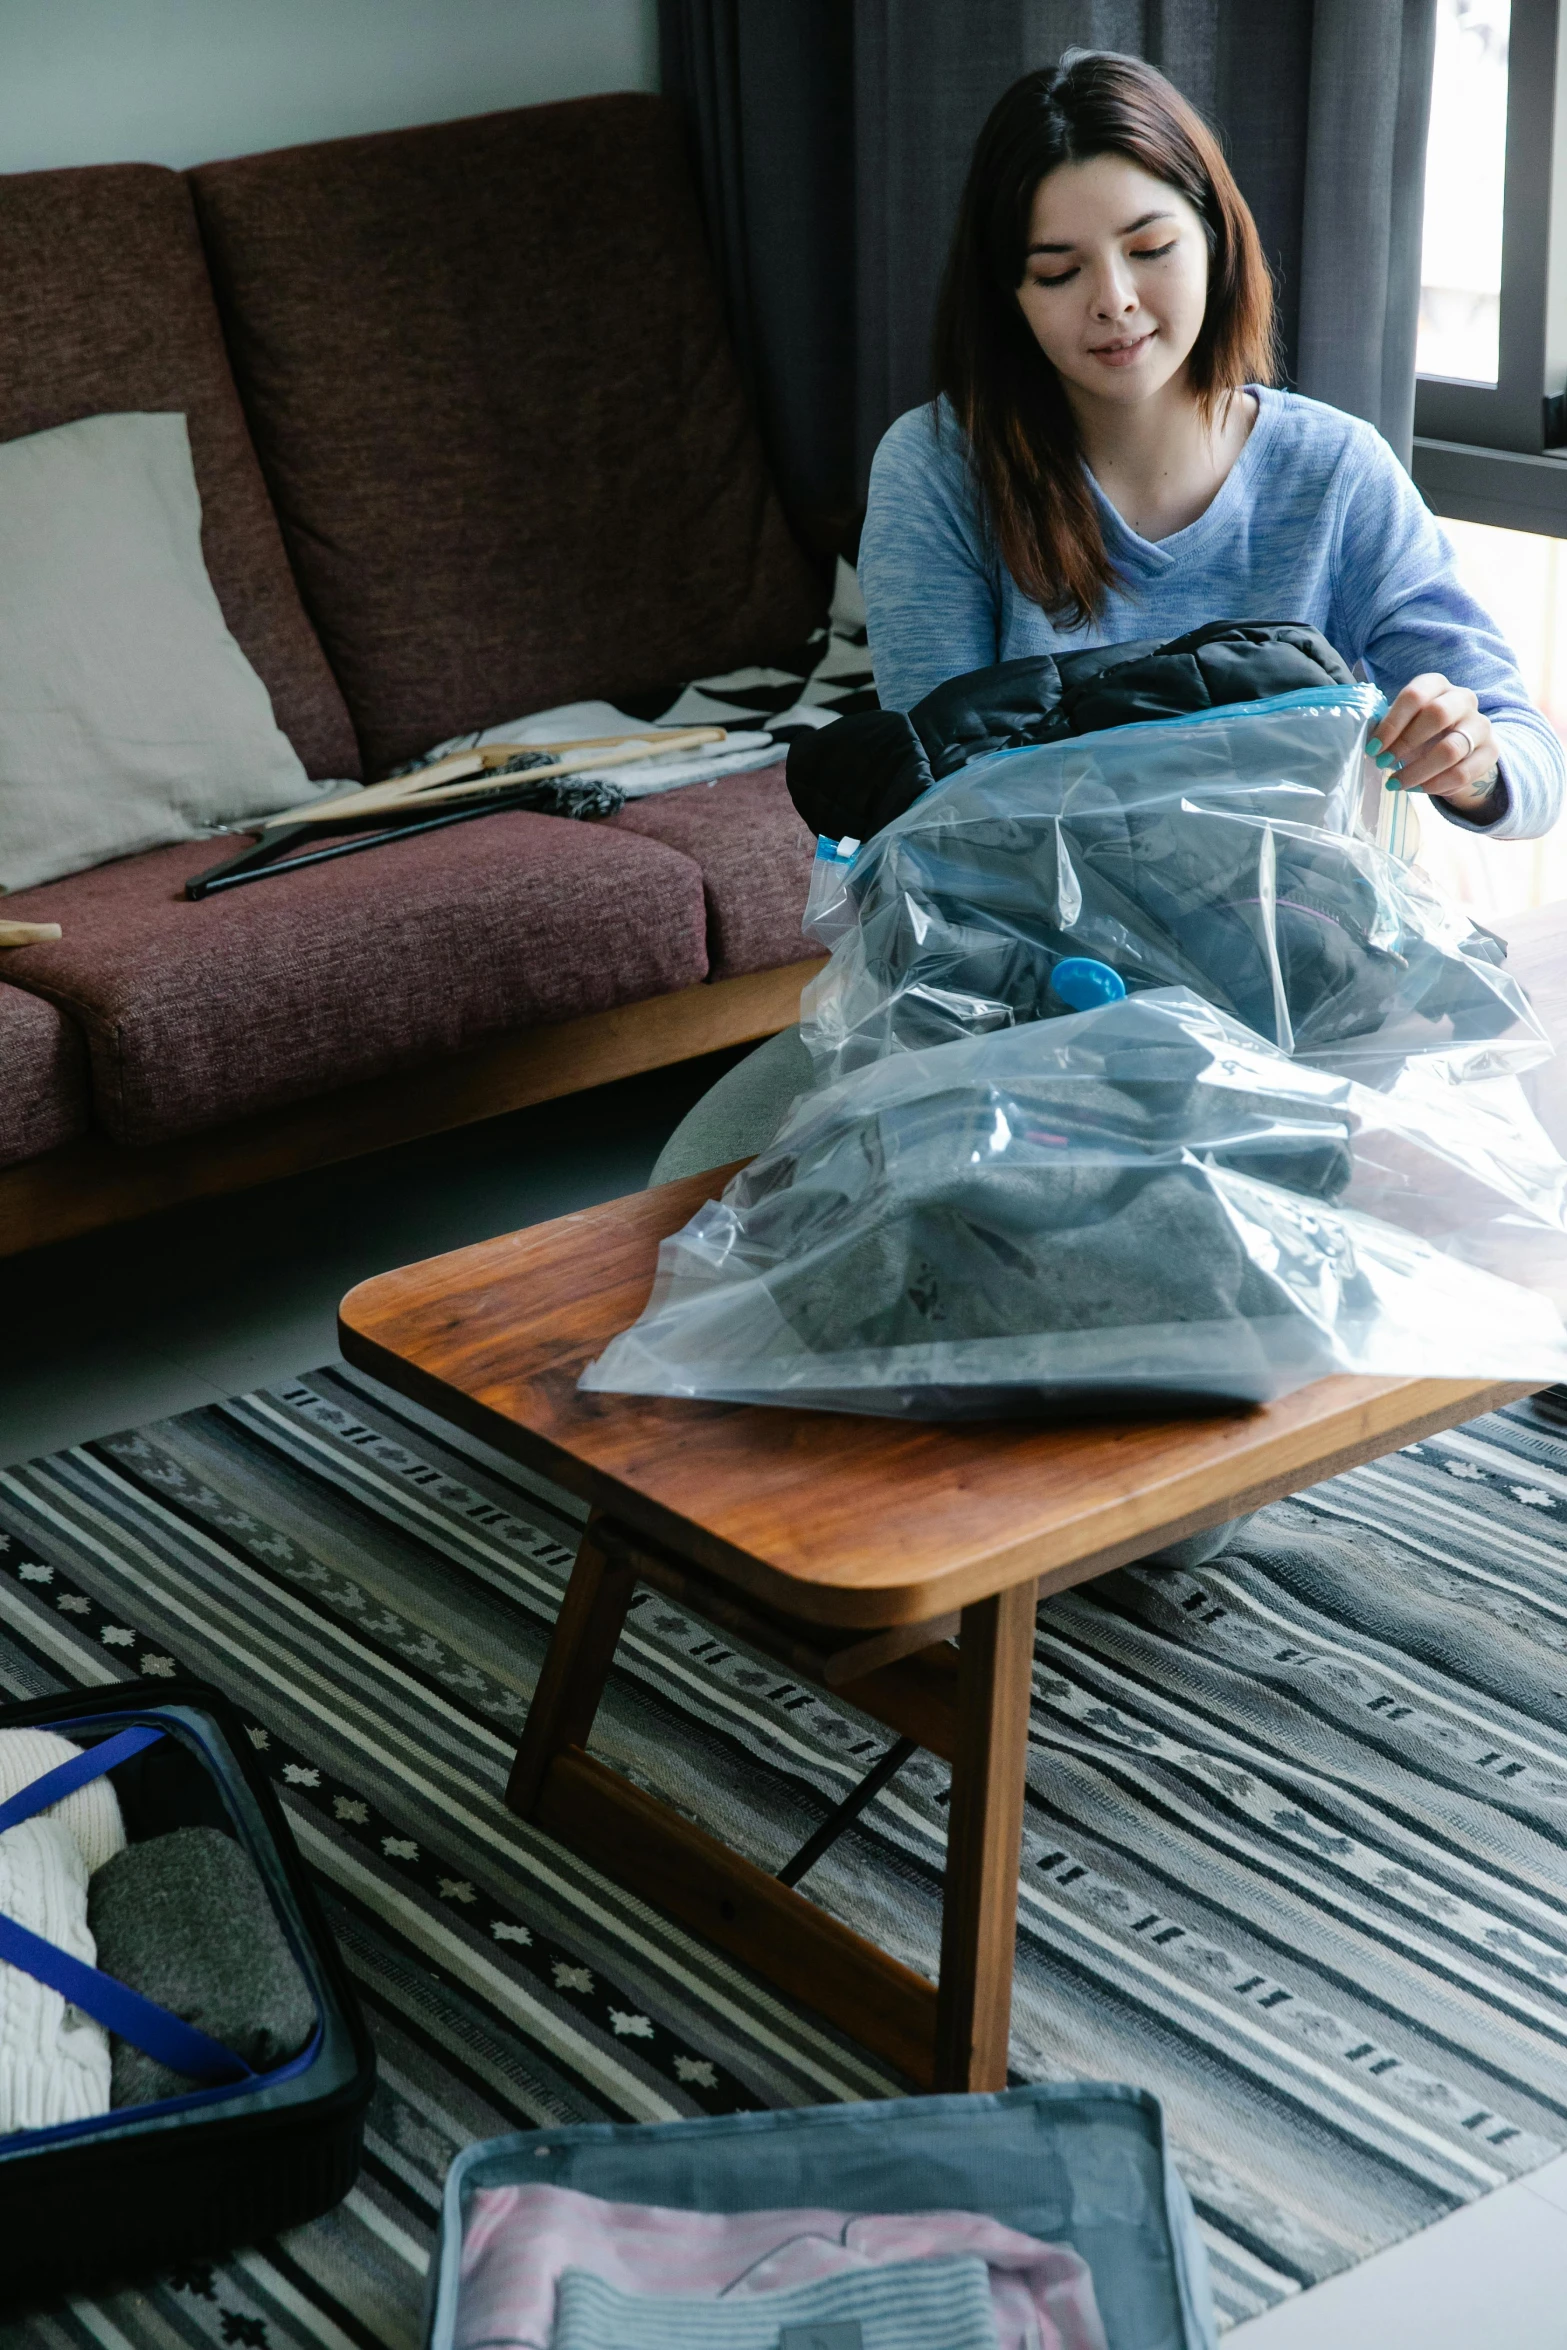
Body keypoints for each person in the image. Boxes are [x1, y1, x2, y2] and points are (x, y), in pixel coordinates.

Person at [859, 49, 1564, 839]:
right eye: (1058, 272)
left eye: (1151, 249)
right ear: (1008, 298)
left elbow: (1531, 762)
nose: (1115, 302)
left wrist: (1471, 764)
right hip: (1036, 946)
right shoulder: (936, 470)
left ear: (1214, 239)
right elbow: (942, 809)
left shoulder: (1334, 471)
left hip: (1289, 937)